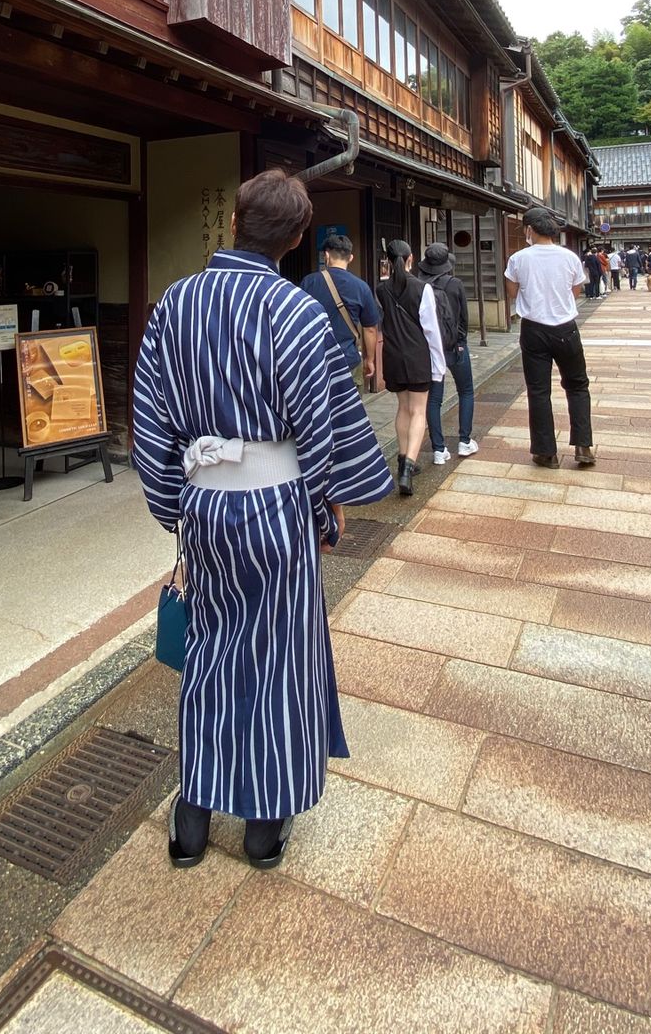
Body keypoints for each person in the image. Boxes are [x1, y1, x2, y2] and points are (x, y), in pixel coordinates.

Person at [131, 169, 395, 870]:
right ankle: (260, 827)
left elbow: (152, 425)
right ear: (299, 237)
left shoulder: (174, 305)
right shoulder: (297, 312)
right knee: (279, 658)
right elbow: (323, 431)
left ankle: (191, 821)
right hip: (277, 505)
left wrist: (176, 510)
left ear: (234, 223)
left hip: (206, 502)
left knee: (210, 654)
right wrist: (326, 514)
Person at [504, 208, 594, 469]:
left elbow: (511, 292)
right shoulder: (569, 257)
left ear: (530, 229)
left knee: (539, 391)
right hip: (565, 327)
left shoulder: (518, 258)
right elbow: (576, 290)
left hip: (533, 329)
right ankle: (583, 445)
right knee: (577, 385)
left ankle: (545, 452)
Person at [376, 239, 446, 495]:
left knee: (403, 408)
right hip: (417, 356)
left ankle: (403, 457)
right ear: (410, 259)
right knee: (418, 412)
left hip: (393, 355)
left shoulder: (381, 290)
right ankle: (408, 467)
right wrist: (439, 366)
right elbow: (431, 331)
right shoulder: (422, 288)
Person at [419, 242, 478, 464]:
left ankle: (438, 449)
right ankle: (464, 441)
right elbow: (464, 318)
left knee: (434, 400)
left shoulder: (419, 285)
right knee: (466, 391)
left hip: (432, 349)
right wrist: (461, 341)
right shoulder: (455, 284)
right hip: (455, 346)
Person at [301, 232, 380, 393]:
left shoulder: (309, 282)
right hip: (348, 359)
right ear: (350, 258)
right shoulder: (361, 287)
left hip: (316, 360)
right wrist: (369, 359)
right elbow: (370, 328)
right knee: (350, 414)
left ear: (326, 255)